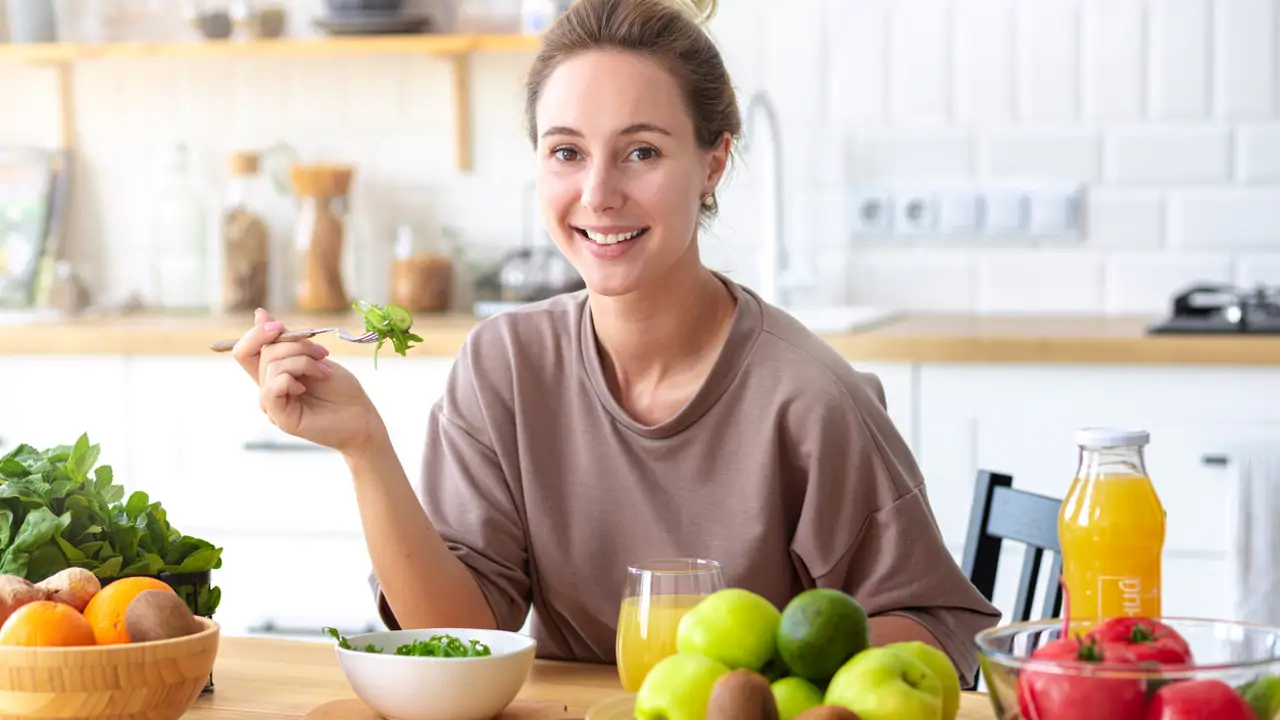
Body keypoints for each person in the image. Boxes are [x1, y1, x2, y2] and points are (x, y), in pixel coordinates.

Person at [230, 0, 1000, 685]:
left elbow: (935, 628)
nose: (598, 193)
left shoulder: (808, 398)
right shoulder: (506, 367)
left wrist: (763, 698)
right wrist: (365, 446)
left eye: (641, 152)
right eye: (567, 151)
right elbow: (462, 639)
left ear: (713, 164)